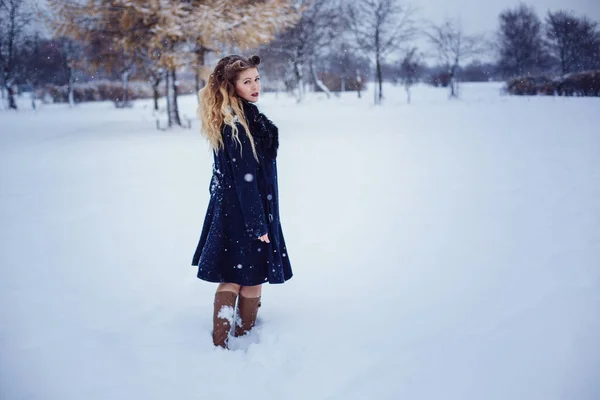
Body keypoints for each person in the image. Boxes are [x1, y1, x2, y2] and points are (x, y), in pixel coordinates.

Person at [192, 55, 293, 349]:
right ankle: (225, 339)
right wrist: (257, 223)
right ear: (232, 86)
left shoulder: (239, 118)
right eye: (246, 81)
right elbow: (244, 180)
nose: (255, 86)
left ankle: (240, 334)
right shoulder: (237, 125)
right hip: (245, 213)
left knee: (245, 273)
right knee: (241, 276)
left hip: (238, 211)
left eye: (257, 79)